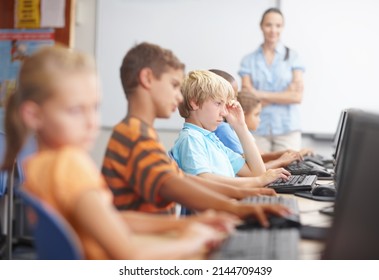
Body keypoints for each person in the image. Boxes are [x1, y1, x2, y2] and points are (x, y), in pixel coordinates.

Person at [1, 45, 237, 260]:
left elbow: (110, 220)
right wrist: (196, 240)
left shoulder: (40, 163)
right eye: (75, 110)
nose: (92, 122)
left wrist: (185, 226)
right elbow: (129, 254)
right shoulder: (70, 165)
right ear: (33, 115)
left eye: (95, 108)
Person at [102, 42, 291, 227]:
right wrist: (245, 195)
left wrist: (246, 191)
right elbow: (190, 183)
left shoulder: (143, 134)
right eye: (174, 85)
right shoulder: (135, 136)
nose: (178, 96)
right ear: (148, 78)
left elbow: (183, 180)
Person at [170, 69, 290, 188]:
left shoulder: (212, 140)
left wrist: (240, 127)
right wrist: (259, 180)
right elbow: (204, 180)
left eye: (225, 105)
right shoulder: (191, 138)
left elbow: (257, 172)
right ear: (195, 103)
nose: (224, 112)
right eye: (218, 103)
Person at [239, 7, 305, 152]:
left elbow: (296, 96)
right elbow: (246, 99)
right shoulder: (248, 60)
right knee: (260, 170)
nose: (273, 30)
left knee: (291, 172)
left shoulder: (294, 57)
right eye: (268, 25)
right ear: (261, 26)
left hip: (287, 129)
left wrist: (258, 93)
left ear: (283, 27)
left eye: (278, 25)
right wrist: (284, 95)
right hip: (257, 129)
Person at [237, 90, 303, 169]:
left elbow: (260, 156)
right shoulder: (232, 134)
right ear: (242, 114)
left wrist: (284, 154)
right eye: (256, 114)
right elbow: (256, 166)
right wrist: (281, 160)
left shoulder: (246, 134)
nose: (259, 120)